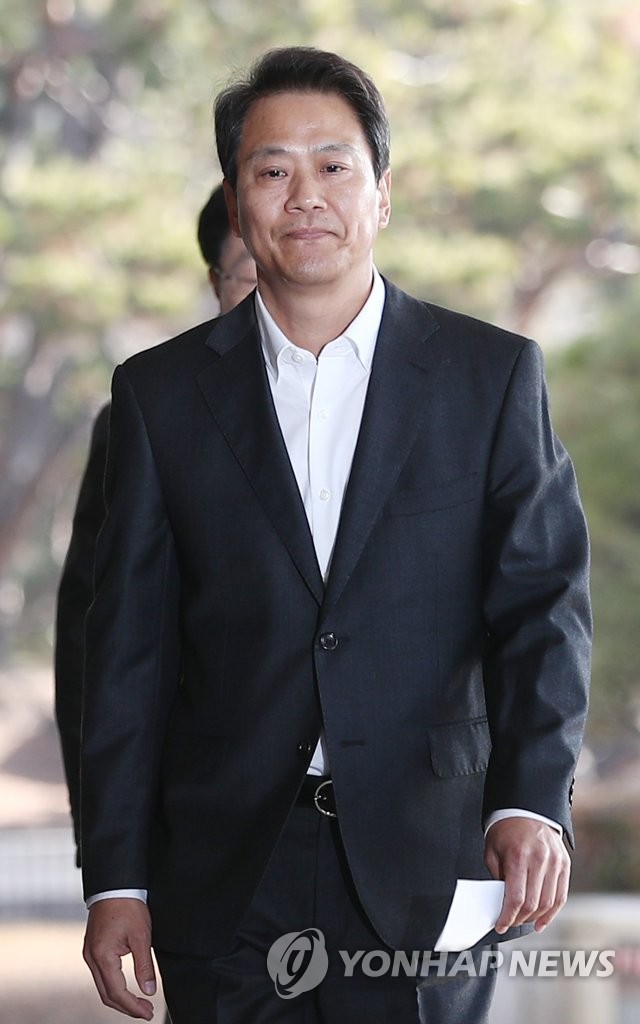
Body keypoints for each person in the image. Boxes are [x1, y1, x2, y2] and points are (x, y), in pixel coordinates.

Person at [79, 47, 591, 1024]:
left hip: (427, 855)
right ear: (238, 205)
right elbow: (130, 655)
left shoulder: (489, 377)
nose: (303, 194)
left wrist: (531, 799)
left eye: (333, 165)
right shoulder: (160, 395)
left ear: (382, 195)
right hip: (228, 873)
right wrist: (116, 879)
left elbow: (544, 609)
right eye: (271, 170)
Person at [54, 184, 256, 858]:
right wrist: (106, 839)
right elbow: (93, 638)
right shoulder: (147, 411)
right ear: (216, 282)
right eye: (250, 274)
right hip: (203, 815)